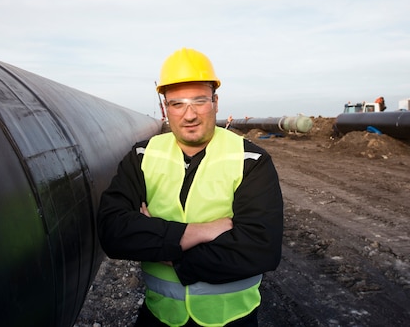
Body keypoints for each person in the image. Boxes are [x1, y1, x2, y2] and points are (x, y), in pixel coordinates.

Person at [97, 48, 283, 327]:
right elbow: (113, 232)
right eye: (177, 103)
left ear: (216, 102)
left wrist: (160, 245)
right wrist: (200, 232)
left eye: (200, 101)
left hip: (230, 319)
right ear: (165, 108)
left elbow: (259, 249)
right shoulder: (143, 156)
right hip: (160, 316)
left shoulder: (250, 160)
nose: (190, 114)